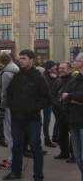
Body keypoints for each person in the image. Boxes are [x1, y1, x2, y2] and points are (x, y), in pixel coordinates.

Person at [3, 50, 50, 181]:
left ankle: (38, 175)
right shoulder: (17, 76)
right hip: (17, 119)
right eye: (20, 58)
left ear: (31, 60)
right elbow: (9, 93)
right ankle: (15, 172)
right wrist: (13, 107)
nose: (20, 60)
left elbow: (46, 99)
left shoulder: (38, 77)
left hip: (32, 119)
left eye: (23, 58)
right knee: (16, 146)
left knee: (35, 146)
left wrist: (33, 108)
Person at [61, 52, 83, 181]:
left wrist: (70, 96)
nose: (73, 62)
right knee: (78, 156)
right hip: (74, 120)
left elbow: (69, 95)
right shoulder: (76, 77)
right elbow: (64, 93)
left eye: (76, 60)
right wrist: (71, 97)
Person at [0, 53, 19, 170]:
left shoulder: (6, 73)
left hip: (10, 106)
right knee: (14, 132)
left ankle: (12, 158)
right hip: (16, 105)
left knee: (9, 133)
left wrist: (2, 104)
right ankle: (13, 157)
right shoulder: (16, 69)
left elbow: (5, 92)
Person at [52, 62, 74, 160]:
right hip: (60, 112)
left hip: (70, 111)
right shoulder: (58, 80)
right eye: (59, 68)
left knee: (73, 134)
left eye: (63, 68)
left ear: (69, 69)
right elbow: (53, 93)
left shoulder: (73, 80)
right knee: (62, 134)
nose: (60, 70)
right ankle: (64, 153)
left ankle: (73, 154)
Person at [42, 61, 58, 148]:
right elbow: (48, 89)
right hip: (47, 102)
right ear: (49, 68)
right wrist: (54, 78)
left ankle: (54, 137)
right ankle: (47, 139)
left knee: (57, 119)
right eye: (54, 67)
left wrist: (55, 78)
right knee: (46, 121)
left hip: (52, 102)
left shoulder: (53, 76)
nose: (55, 68)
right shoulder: (45, 76)